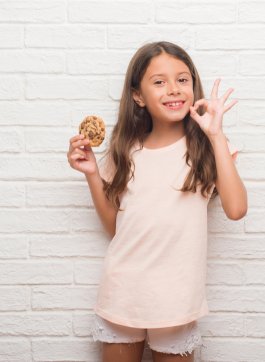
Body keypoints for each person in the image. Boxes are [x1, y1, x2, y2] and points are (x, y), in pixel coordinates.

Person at [66, 41, 247, 362]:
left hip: (176, 297)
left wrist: (217, 136)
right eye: (159, 81)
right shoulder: (126, 149)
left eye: (182, 79)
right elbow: (115, 227)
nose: (174, 90)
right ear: (138, 95)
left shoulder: (207, 146)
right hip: (123, 291)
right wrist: (92, 173)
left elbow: (236, 209)